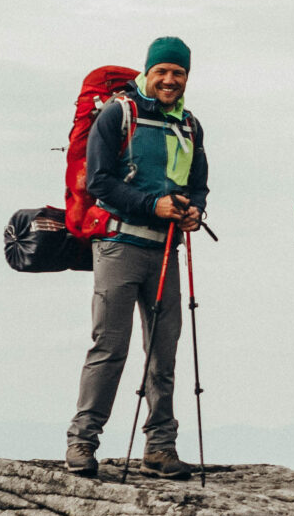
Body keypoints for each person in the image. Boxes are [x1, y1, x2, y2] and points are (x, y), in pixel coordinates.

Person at [64, 37, 208, 479]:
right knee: (111, 345)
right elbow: (101, 182)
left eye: (178, 73)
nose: (169, 80)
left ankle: (160, 447)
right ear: (148, 72)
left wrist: (194, 210)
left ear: (186, 77)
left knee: (164, 352)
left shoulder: (190, 124)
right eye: (162, 71)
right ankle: (82, 442)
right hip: (118, 244)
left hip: (164, 248)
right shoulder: (118, 113)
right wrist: (154, 206)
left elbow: (199, 182)